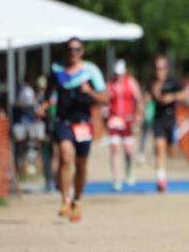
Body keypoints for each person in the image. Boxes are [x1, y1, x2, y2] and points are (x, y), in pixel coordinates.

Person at [39, 37, 108, 222]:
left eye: (77, 49)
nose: (73, 52)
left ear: (82, 51)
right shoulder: (56, 70)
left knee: (81, 164)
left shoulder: (91, 71)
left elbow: (105, 98)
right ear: (66, 50)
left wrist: (90, 92)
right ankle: (65, 200)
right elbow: (48, 93)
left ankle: (77, 201)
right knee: (65, 155)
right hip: (63, 121)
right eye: (70, 49)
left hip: (84, 123)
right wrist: (44, 105)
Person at [149, 54, 186, 192]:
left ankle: (163, 173)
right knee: (159, 148)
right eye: (157, 68)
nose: (160, 71)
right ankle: (161, 179)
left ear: (167, 68)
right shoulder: (152, 82)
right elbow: (147, 98)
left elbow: (185, 93)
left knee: (171, 153)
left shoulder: (173, 82)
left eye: (162, 68)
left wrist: (172, 97)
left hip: (171, 120)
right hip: (158, 119)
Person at [105, 59, 143, 191]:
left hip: (128, 120)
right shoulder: (110, 84)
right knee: (114, 148)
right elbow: (104, 101)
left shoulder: (131, 82)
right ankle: (116, 178)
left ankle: (129, 170)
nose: (119, 76)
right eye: (117, 74)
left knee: (128, 150)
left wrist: (138, 116)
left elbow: (139, 99)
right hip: (114, 119)